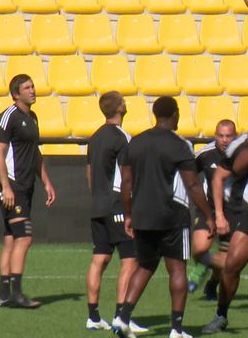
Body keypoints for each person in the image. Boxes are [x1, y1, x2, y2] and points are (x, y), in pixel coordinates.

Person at [113, 97, 216, 338]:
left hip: (141, 214)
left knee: (145, 265)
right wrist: (209, 215)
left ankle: (123, 318)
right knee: (177, 268)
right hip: (172, 215)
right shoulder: (179, 145)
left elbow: (126, 183)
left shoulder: (135, 143)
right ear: (174, 114)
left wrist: (128, 214)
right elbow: (192, 184)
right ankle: (176, 329)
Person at [201, 104, 248, 334]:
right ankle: (221, 313)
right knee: (231, 264)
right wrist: (220, 214)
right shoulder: (241, 145)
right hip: (245, 211)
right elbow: (219, 177)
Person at [0, 74, 56, 309]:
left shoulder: (33, 118)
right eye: (27, 87)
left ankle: (4, 295)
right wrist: (6, 187)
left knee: (11, 239)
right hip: (13, 186)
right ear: (16, 94)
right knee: (24, 237)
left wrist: (46, 182)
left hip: (26, 186)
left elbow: (35, 153)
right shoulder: (7, 117)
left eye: (33, 85)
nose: (32, 90)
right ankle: (17, 294)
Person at [84, 91, 146, 333]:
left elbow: (89, 173)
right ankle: (122, 316)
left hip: (97, 205)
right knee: (130, 260)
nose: (126, 103)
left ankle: (93, 316)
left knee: (99, 258)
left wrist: (98, 196)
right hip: (117, 206)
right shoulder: (123, 137)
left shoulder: (95, 137)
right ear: (119, 108)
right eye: (124, 100)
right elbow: (127, 176)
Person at [187, 119, 237, 300]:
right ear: (215, 136)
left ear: (235, 136)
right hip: (208, 209)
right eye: (220, 136)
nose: (224, 140)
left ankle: (212, 284)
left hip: (234, 212)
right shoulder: (205, 154)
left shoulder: (242, 154)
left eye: (228, 136)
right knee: (199, 250)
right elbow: (189, 174)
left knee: (227, 260)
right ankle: (202, 266)